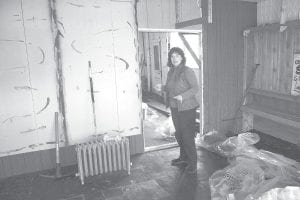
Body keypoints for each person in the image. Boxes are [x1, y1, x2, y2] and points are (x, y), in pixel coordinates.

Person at [156, 47, 199, 174]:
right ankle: (183, 158)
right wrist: (162, 87)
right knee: (179, 134)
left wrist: (183, 96)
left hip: (187, 108)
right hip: (175, 107)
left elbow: (195, 88)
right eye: (172, 56)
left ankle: (193, 163)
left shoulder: (187, 71)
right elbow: (171, 88)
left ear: (182, 57)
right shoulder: (171, 72)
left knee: (187, 136)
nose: (174, 59)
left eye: (177, 56)